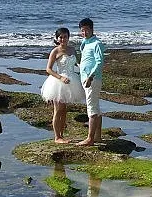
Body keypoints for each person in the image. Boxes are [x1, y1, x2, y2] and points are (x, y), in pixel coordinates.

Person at [40, 27, 85, 143]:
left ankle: (62, 135)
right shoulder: (55, 51)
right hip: (58, 82)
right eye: (60, 37)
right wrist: (61, 78)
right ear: (57, 38)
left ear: (68, 38)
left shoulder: (72, 50)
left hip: (72, 80)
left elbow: (79, 64)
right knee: (57, 110)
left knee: (64, 110)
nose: (63, 39)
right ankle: (57, 137)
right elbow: (48, 69)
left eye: (65, 37)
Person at [76, 17, 105, 146]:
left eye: (87, 30)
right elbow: (84, 60)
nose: (84, 32)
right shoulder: (84, 42)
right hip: (85, 78)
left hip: (92, 80)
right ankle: (97, 137)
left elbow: (99, 62)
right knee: (96, 108)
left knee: (91, 108)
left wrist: (90, 77)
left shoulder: (97, 44)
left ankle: (90, 139)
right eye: (82, 30)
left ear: (92, 29)